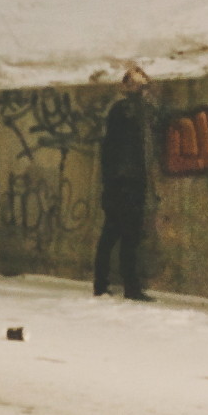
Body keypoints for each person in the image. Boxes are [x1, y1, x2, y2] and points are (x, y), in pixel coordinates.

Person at [94, 65, 154, 300]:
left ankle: (103, 284)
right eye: (140, 85)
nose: (143, 89)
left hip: (119, 183)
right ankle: (128, 286)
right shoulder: (127, 110)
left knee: (112, 235)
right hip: (126, 183)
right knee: (127, 237)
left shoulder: (120, 110)